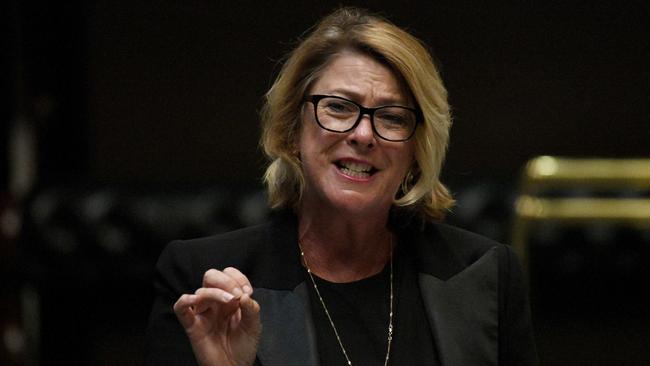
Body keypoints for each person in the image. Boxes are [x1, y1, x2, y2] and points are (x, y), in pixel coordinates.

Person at [145, 7, 537, 366]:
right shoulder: (203, 281)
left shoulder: (485, 275)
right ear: (292, 126)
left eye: (392, 117)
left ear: (417, 149)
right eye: (338, 107)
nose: (364, 134)